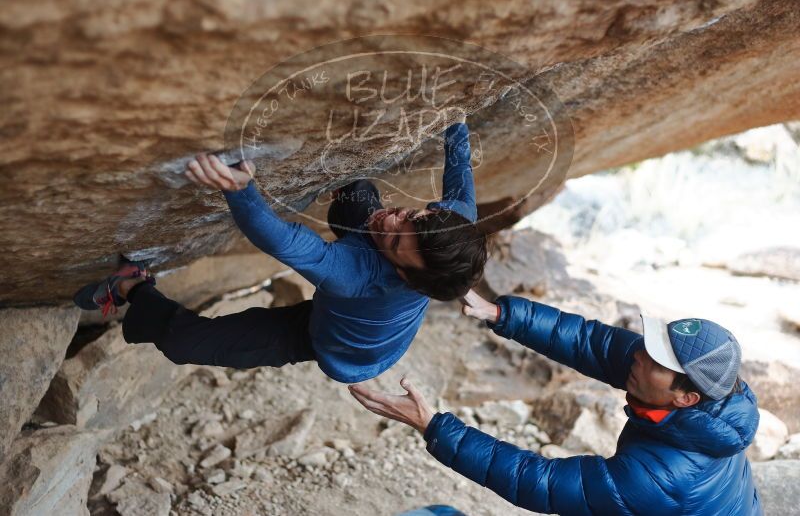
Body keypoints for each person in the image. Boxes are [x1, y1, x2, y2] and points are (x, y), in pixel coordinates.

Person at [73, 117, 487, 384]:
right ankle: (353, 190)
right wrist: (455, 120)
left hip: (328, 342)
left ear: (404, 274)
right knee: (360, 199)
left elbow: (280, 239)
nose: (395, 219)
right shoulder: (449, 225)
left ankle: (131, 287)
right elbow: (460, 178)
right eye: (412, 216)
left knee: (186, 343)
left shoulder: (355, 275)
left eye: (398, 240)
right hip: (367, 309)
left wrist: (240, 189)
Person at [349, 290, 762, 515]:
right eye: (651, 346)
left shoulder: (659, 478)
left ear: (685, 396)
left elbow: (541, 482)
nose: (638, 354)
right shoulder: (714, 396)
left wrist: (432, 425)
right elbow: (592, 343)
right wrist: (502, 314)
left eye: (656, 359)